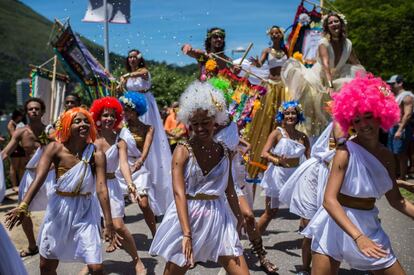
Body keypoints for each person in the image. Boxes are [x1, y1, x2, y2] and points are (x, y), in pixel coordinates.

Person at [303, 74, 414, 274]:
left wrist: (364, 235)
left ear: (381, 114)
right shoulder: (345, 151)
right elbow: (329, 200)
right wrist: (358, 237)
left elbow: (397, 201)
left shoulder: (387, 156)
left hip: (368, 226)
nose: (363, 124)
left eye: (368, 116)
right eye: (357, 120)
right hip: (334, 224)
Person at [149, 81, 248, 275]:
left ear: (215, 121)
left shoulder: (225, 151)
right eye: (195, 124)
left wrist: (239, 216)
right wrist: (186, 233)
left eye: (205, 123)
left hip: (219, 216)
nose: (201, 128)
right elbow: (179, 193)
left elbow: (229, 189)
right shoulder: (182, 151)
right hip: (189, 216)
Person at [5, 107, 119, 275]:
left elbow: (102, 189)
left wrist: (109, 223)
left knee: (96, 267)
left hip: (85, 210)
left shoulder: (97, 153)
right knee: (46, 266)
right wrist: (23, 205)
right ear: (66, 125)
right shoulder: (54, 149)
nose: (83, 124)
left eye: (86, 121)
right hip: (59, 209)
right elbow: (39, 178)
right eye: (77, 121)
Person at [281, 12, 365, 138]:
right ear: (327, 27)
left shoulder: (348, 44)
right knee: (316, 111)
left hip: (338, 78)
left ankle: (345, 138)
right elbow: (326, 66)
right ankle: (312, 142)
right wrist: (330, 86)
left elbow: (356, 62)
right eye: (330, 22)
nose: (333, 24)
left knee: (345, 105)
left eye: (336, 21)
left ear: (341, 24)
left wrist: (368, 79)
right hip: (319, 80)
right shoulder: (323, 43)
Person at [90, 97, 147, 274]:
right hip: (92, 187)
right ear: (99, 116)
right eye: (105, 115)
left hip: (112, 186)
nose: (109, 118)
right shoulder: (91, 139)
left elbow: (123, 165)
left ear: (117, 118)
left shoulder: (120, 141)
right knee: (91, 227)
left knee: (119, 226)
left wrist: (131, 185)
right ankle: (89, 262)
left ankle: (137, 260)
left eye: (112, 116)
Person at [279, 122, 344, 275]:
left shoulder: (357, 128)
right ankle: (305, 269)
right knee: (311, 228)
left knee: (327, 227)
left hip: (331, 177)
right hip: (315, 175)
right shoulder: (339, 125)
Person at [214, 120, 278, 274]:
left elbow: (239, 143)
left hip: (233, 181)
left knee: (248, 216)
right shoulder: (204, 125)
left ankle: (262, 256)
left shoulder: (231, 124)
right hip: (213, 182)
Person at [118, 49, 173, 215]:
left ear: (139, 59)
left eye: (135, 56)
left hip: (146, 108)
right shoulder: (127, 77)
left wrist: (126, 77)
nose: (132, 59)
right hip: (132, 111)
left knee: (153, 149)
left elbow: (143, 73)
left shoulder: (143, 72)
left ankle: (161, 199)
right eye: (130, 56)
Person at [1, 98, 49, 258]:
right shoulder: (21, 132)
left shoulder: (50, 130)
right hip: (30, 174)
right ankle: (32, 245)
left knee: (57, 207)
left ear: (42, 111)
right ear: (26, 112)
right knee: (22, 210)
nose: (34, 111)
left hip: (49, 174)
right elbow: (6, 152)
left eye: (37, 109)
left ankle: (55, 240)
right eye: (30, 109)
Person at [257, 101, 310, 234]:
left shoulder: (303, 136)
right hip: (277, 176)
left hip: (295, 177)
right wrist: (277, 160)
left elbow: (310, 159)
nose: (290, 116)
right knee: (270, 212)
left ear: (298, 116)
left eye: (293, 113)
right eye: (287, 113)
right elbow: (264, 153)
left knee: (305, 210)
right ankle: (254, 240)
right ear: (282, 116)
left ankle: (308, 243)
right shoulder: (277, 133)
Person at [246, 25, 291, 179]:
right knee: (267, 117)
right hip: (271, 86)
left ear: (281, 35)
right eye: (272, 33)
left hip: (284, 87)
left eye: (277, 32)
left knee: (285, 118)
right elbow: (260, 64)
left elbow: (293, 66)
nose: (275, 35)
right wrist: (257, 63)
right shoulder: (267, 51)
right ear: (270, 36)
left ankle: (284, 153)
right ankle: (264, 154)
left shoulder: (287, 51)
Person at [118, 92, 158, 236]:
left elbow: (145, 151)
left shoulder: (148, 129)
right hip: (120, 167)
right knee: (116, 205)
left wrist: (138, 163)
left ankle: (155, 234)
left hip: (138, 167)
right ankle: (114, 234)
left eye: (129, 110)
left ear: (137, 111)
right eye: (124, 110)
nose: (126, 113)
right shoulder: (120, 128)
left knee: (144, 204)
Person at [386, 75, 414, 180]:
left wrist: (400, 130)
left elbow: (408, 114)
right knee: (392, 152)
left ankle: (402, 177)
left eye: (393, 84)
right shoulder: (396, 96)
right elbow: (383, 91)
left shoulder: (407, 96)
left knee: (400, 153)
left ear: (400, 83)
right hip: (393, 127)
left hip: (401, 128)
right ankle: (396, 175)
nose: (391, 86)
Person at [7, 108, 26, 192]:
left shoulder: (20, 123)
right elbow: (13, 135)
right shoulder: (11, 123)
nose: (21, 117)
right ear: (17, 115)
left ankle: (21, 184)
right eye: (20, 115)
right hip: (15, 147)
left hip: (21, 146)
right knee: (14, 167)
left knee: (22, 167)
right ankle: (14, 185)